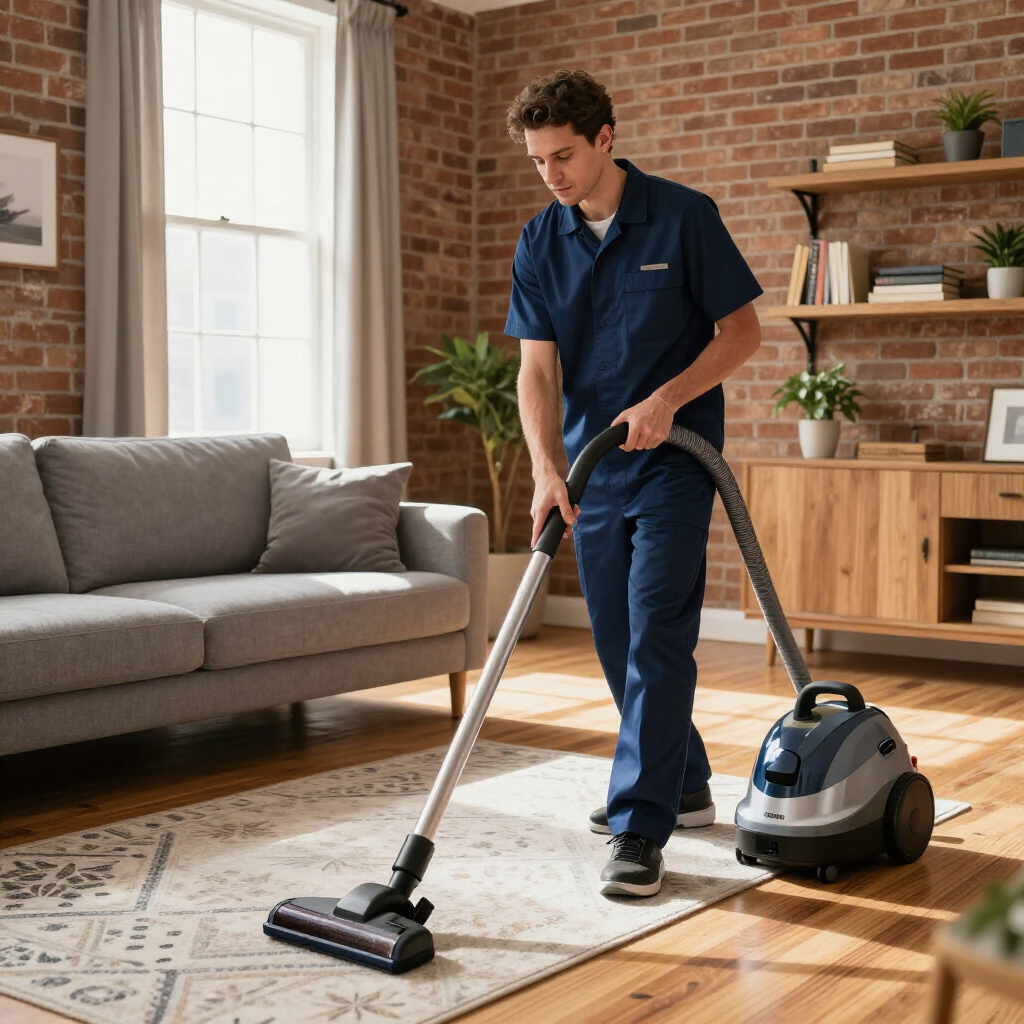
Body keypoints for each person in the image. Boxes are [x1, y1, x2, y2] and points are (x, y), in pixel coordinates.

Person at [505, 69, 763, 898]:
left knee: (656, 632)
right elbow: (536, 372)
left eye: (565, 155)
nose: (554, 175)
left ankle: (640, 828)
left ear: (605, 138)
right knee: (616, 644)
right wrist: (546, 468)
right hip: (592, 471)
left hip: (678, 464)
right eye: (540, 160)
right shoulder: (540, 241)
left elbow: (742, 332)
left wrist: (667, 398)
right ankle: (683, 780)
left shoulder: (684, 218)